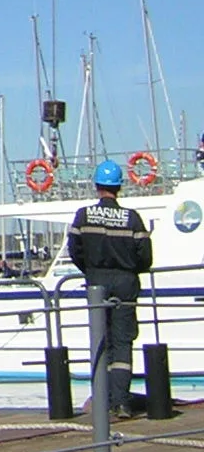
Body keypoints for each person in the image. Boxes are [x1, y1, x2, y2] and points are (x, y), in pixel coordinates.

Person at [67, 158, 153, 420]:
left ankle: (102, 400)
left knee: (101, 340)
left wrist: (92, 270)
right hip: (126, 283)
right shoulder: (132, 219)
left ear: (97, 186)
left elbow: (75, 251)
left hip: (96, 283)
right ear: (119, 187)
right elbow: (145, 257)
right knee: (123, 343)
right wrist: (129, 270)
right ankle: (122, 403)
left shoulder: (83, 216)